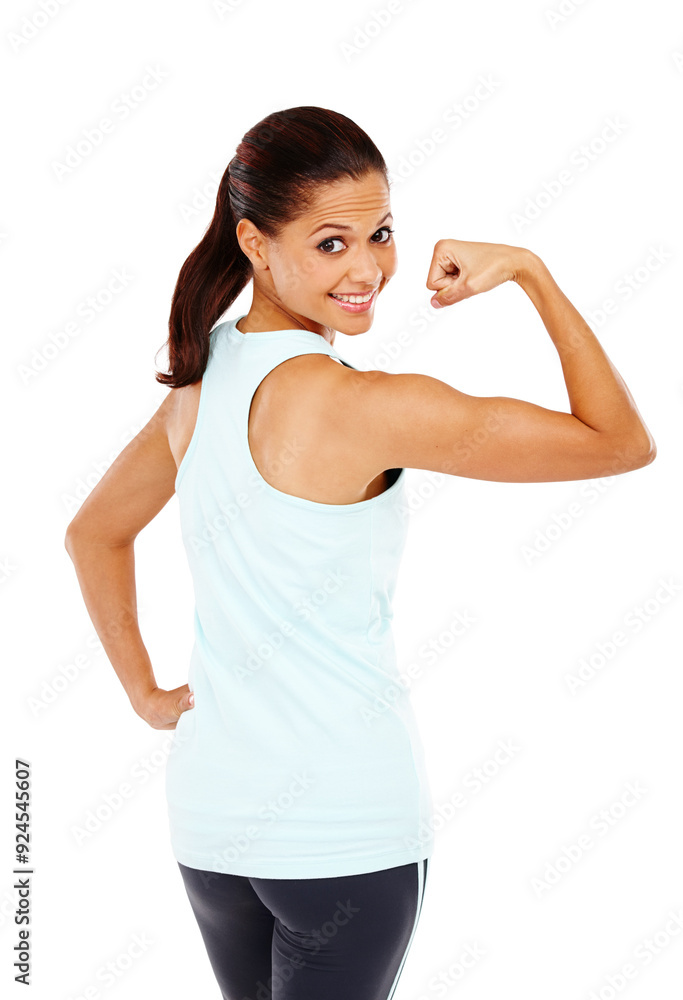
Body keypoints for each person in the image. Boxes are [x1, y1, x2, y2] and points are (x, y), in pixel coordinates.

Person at [64, 106, 656, 1000]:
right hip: (342, 835)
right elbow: (620, 444)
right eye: (331, 242)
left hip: (213, 830)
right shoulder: (368, 405)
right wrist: (532, 273)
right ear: (254, 246)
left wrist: (147, 694)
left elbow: (93, 532)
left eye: (379, 233)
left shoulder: (199, 383)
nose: (370, 268)